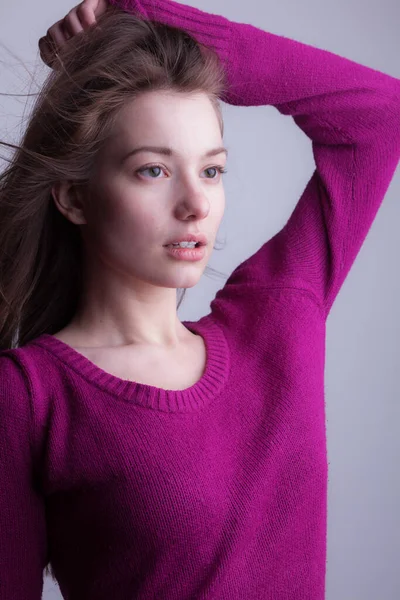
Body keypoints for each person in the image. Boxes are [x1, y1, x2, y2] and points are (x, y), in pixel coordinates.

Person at [0, 0, 399, 598]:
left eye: (211, 171)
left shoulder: (276, 319)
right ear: (74, 198)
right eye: (153, 171)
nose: (196, 205)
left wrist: (134, 10)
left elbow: (380, 114)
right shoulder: (30, 396)